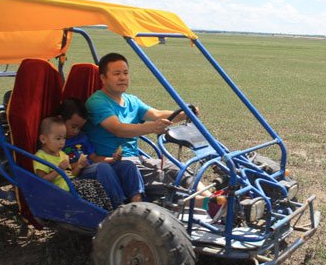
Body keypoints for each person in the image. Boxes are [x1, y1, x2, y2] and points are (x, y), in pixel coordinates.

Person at [84, 52, 209, 202]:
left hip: (135, 158)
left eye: (125, 73)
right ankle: (210, 205)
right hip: (114, 163)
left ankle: (212, 197)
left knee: (176, 168)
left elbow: (157, 114)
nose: (123, 77)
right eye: (116, 74)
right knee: (162, 179)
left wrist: (183, 114)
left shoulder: (131, 101)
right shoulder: (97, 102)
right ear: (103, 78)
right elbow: (118, 129)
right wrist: (152, 127)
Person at [59, 98, 143, 207]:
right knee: (102, 168)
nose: (76, 131)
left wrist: (112, 159)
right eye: (73, 127)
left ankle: (137, 202)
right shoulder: (56, 140)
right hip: (76, 175)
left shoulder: (82, 137)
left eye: (79, 128)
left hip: (91, 167)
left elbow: (94, 157)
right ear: (60, 120)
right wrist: (76, 165)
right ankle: (119, 205)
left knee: (128, 165)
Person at [33, 116, 112, 210]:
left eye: (64, 138)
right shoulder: (40, 156)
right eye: (58, 139)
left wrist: (79, 166)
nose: (62, 143)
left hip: (72, 182)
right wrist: (58, 170)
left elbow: (71, 174)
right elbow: (42, 180)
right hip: (61, 188)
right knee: (87, 187)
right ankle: (98, 213)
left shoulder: (62, 154)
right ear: (43, 139)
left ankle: (108, 211)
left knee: (95, 184)